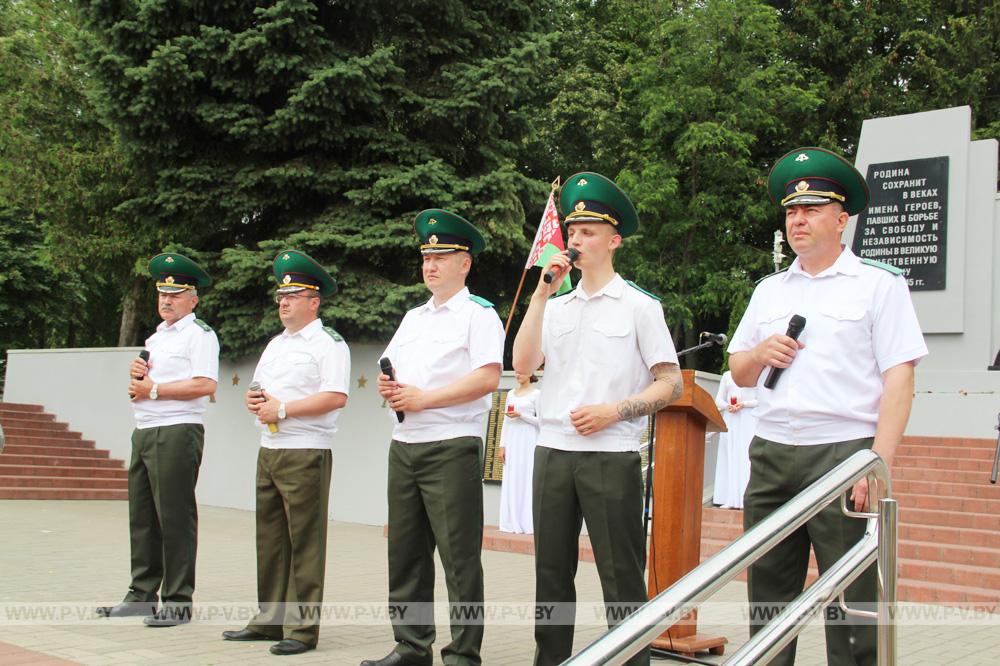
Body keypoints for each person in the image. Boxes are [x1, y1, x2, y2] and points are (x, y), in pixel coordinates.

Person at [728, 147, 928, 666]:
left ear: (842, 220)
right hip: (772, 453)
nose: (798, 219)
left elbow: (900, 379)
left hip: (842, 456)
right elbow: (738, 370)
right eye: (792, 211)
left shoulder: (879, 285)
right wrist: (757, 353)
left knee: (853, 605)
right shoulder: (768, 290)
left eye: (812, 209)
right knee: (769, 602)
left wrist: (877, 464)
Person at [512, 172, 683, 666]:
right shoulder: (557, 306)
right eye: (573, 230)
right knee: (550, 574)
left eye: (588, 232)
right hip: (553, 453)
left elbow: (669, 383)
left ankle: (632, 660)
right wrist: (542, 295)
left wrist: (615, 410)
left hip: (611, 456)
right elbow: (523, 366)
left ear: (614, 240)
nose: (577, 239)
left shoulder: (640, 307)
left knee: (621, 577)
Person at [362, 210, 504, 666]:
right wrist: (391, 388)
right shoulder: (413, 317)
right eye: (427, 256)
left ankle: (463, 653)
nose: (431, 264)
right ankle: (410, 645)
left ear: (465, 264)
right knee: (405, 554)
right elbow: (392, 371)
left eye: (442, 256)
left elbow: (486, 379)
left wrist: (426, 399)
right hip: (404, 446)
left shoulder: (479, 315)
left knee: (458, 558)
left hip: (450, 445)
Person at [221, 250, 350, 655]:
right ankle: (268, 620)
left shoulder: (328, 344)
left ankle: (302, 628)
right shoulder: (275, 345)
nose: (284, 303)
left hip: (305, 450)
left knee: (305, 542)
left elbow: (335, 396)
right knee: (271, 539)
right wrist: (256, 402)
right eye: (281, 296)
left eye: (293, 296)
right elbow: (258, 389)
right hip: (270, 447)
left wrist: (283, 409)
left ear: (314, 301)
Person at [98, 253, 219, 626]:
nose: (166, 300)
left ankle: (178, 601)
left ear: (193, 299)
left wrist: (152, 390)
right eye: (162, 294)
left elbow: (205, 384)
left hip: (177, 430)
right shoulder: (156, 336)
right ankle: (141, 593)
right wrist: (140, 382)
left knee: (175, 517)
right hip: (146, 430)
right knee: (144, 516)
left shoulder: (200, 335)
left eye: (176, 294)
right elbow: (147, 388)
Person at [498, 372, 540, 534]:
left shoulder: (537, 394)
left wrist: (522, 415)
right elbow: (506, 421)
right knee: (513, 477)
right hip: (512, 441)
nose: (518, 375)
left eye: (522, 372)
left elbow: (542, 421)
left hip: (529, 439)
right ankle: (511, 520)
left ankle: (528, 522)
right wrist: (502, 446)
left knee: (527, 477)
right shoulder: (510, 394)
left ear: (530, 374)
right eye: (516, 372)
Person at [711, 370, 758, 509]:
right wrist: (727, 406)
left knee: (747, 456)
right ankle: (730, 497)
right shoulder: (727, 376)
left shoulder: (757, 374)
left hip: (749, 418)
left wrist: (744, 404)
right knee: (731, 455)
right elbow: (718, 399)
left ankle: (747, 497)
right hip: (731, 418)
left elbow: (763, 399)